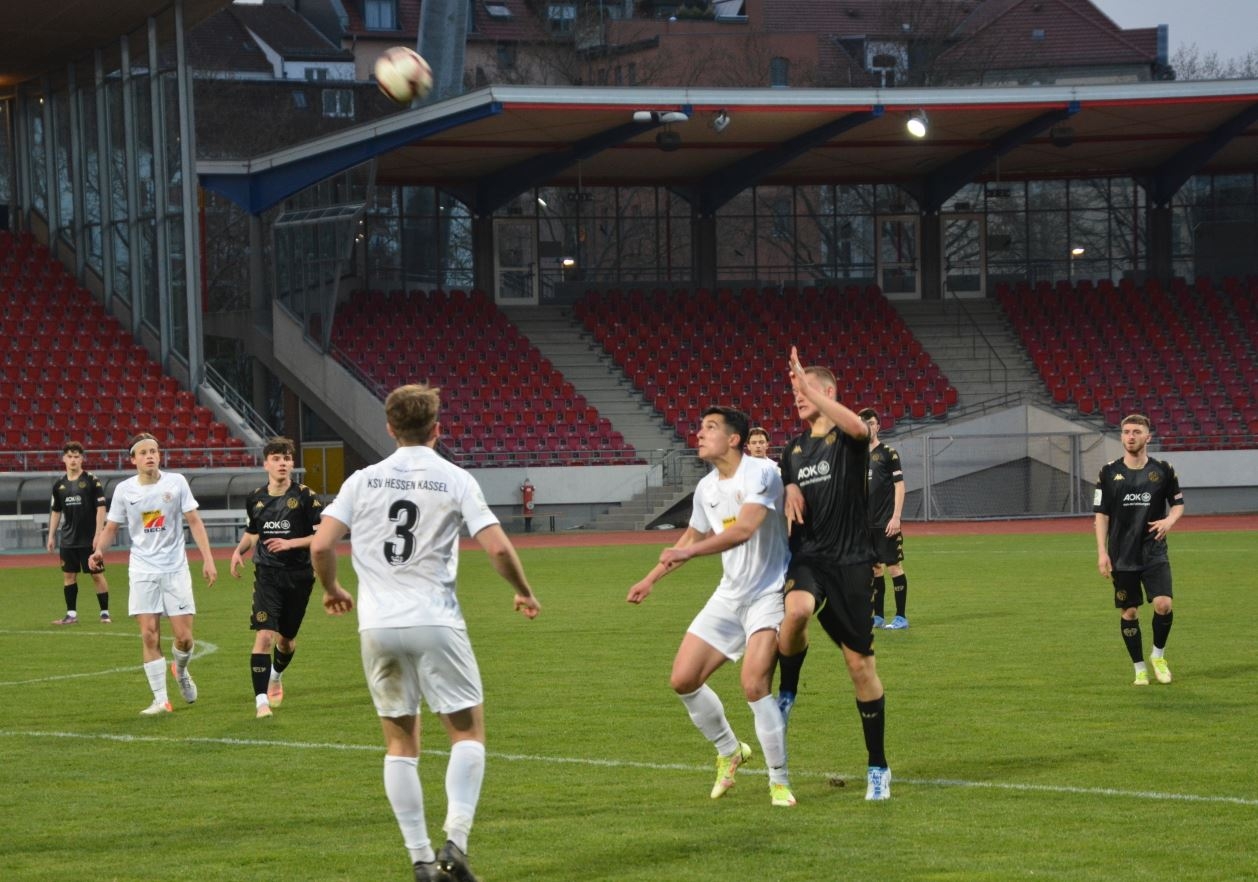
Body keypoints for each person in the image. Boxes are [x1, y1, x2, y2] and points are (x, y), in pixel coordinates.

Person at [311, 383, 541, 882]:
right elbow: (498, 549)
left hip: (377, 626)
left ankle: (419, 860)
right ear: (438, 429)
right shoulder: (454, 477)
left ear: (390, 428)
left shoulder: (362, 480)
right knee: (466, 733)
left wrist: (332, 587)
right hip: (435, 620)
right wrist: (522, 590)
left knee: (400, 744)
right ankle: (454, 843)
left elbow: (322, 545)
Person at [627, 406, 794, 808]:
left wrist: (690, 553)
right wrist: (651, 577)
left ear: (734, 438)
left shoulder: (761, 472)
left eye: (710, 428)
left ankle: (779, 781)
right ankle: (729, 750)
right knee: (683, 680)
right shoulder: (706, 488)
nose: (699, 434)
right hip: (729, 594)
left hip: (768, 594)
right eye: (700, 426)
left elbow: (744, 529)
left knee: (754, 685)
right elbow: (690, 536)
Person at [775, 346, 891, 800]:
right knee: (797, 610)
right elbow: (786, 478)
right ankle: (787, 694)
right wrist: (788, 486)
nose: (796, 396)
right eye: (792, 391)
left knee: (860, 666)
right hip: (810, 558)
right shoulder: (794, 448)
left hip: (852, 563)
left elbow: (859, 426)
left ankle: (878, 766)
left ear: (826, 392)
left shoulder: (848, 437)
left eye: (803, 390)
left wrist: (809, 385)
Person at [90, 433, 218, 715]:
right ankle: (161, 699)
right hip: (142, 569)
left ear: (160, 455)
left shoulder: (177, 482)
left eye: (154, 451)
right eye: (144, 452)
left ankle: (181, 671)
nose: (150, 456)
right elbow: (111, 527)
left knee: (184, 638)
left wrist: (208, 560)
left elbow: (194, 522)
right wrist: (99, 551)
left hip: (175, 569)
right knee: (149, 635)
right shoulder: (125, 490)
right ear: (133, 459)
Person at [230, 437, 323, 719]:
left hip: (300, 576)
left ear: (292, 463)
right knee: (264, 636)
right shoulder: (256, 498)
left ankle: (276, 675)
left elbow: (322, 535)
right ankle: (261, 703)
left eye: (287, 458)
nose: (283, 463)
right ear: (266, 463)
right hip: (267, 575)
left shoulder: (307, 496)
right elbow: (253, 532)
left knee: (286, 641)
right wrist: (238, 552)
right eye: (276, 458)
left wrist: (291, 543)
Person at [1094, 414, 1184, 686]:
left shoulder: (1163, 470)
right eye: (1126, 431)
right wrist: (1102, 551)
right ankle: (1139, 668)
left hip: (1153, 550)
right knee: (1129, 612)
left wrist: (1169, 520)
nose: (1130, 436)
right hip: (1122, 554)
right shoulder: (1108, 472)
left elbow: (1178, 504)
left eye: (1136, 431)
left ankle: (1158, 655)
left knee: (1163, 604)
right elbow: (1101, 515)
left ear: (1148, 436)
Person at [47, 441, 112, 624]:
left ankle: (105, 613)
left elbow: (101, 507)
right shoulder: (59, 485)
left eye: (76, 456)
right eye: (70, 456)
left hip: (89, 539)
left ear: (82, 459)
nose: (73, 460)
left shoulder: (91, 480)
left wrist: (98, 534)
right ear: (64, 459)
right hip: (68, 540)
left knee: (96, 574)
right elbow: (56, 511)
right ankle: (71, 615)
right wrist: (51, 536)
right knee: (69, 576)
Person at [857, 408, 908, 630]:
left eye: (871, 422)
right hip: (864, 525)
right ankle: (878, 616)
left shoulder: (888, 453)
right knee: (875, 569)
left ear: (878, 426)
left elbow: (900, 486)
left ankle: (900, 617)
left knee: (894, 567)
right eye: (863, 423)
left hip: (886, 522)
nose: (868, 426)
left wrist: (896, 517)